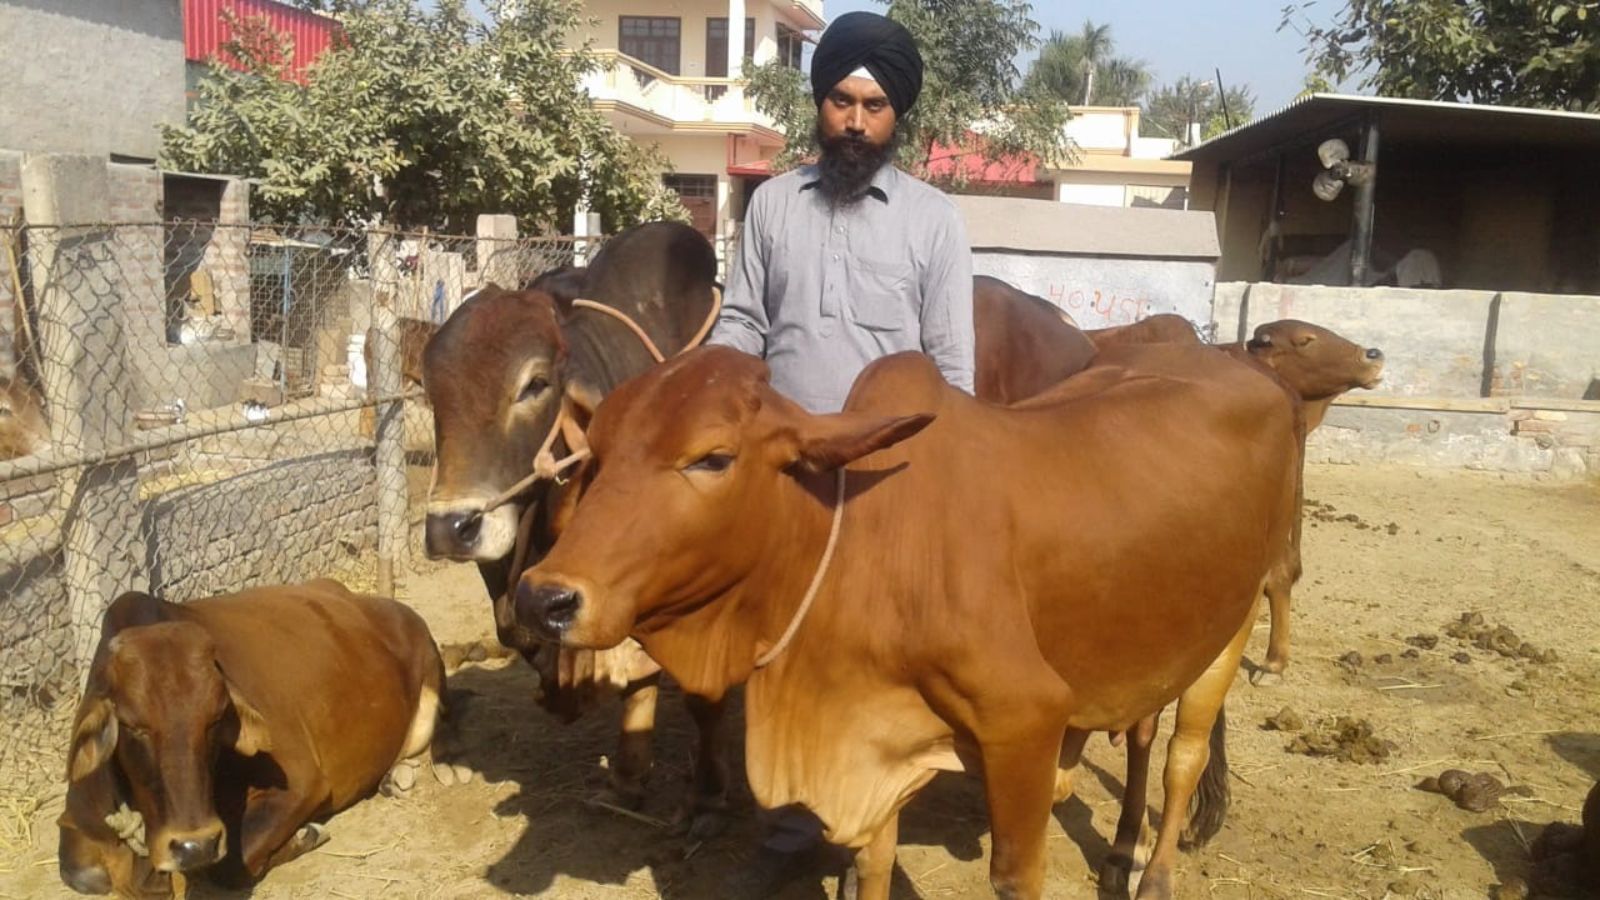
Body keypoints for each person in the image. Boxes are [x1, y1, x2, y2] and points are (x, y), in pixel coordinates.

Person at [706, 10, 975, 895]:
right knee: (778, 655)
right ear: (818, 105)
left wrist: (947, 481)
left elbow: (953, 368)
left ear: (899, 117)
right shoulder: (774, 203)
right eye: (839, 100)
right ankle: (787, 837)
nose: (855, 120)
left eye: (874, 105)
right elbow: (745, 321)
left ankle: (873, 844)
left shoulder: (935, 221)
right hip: (786, 474)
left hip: (886, 480)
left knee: (880, 665)